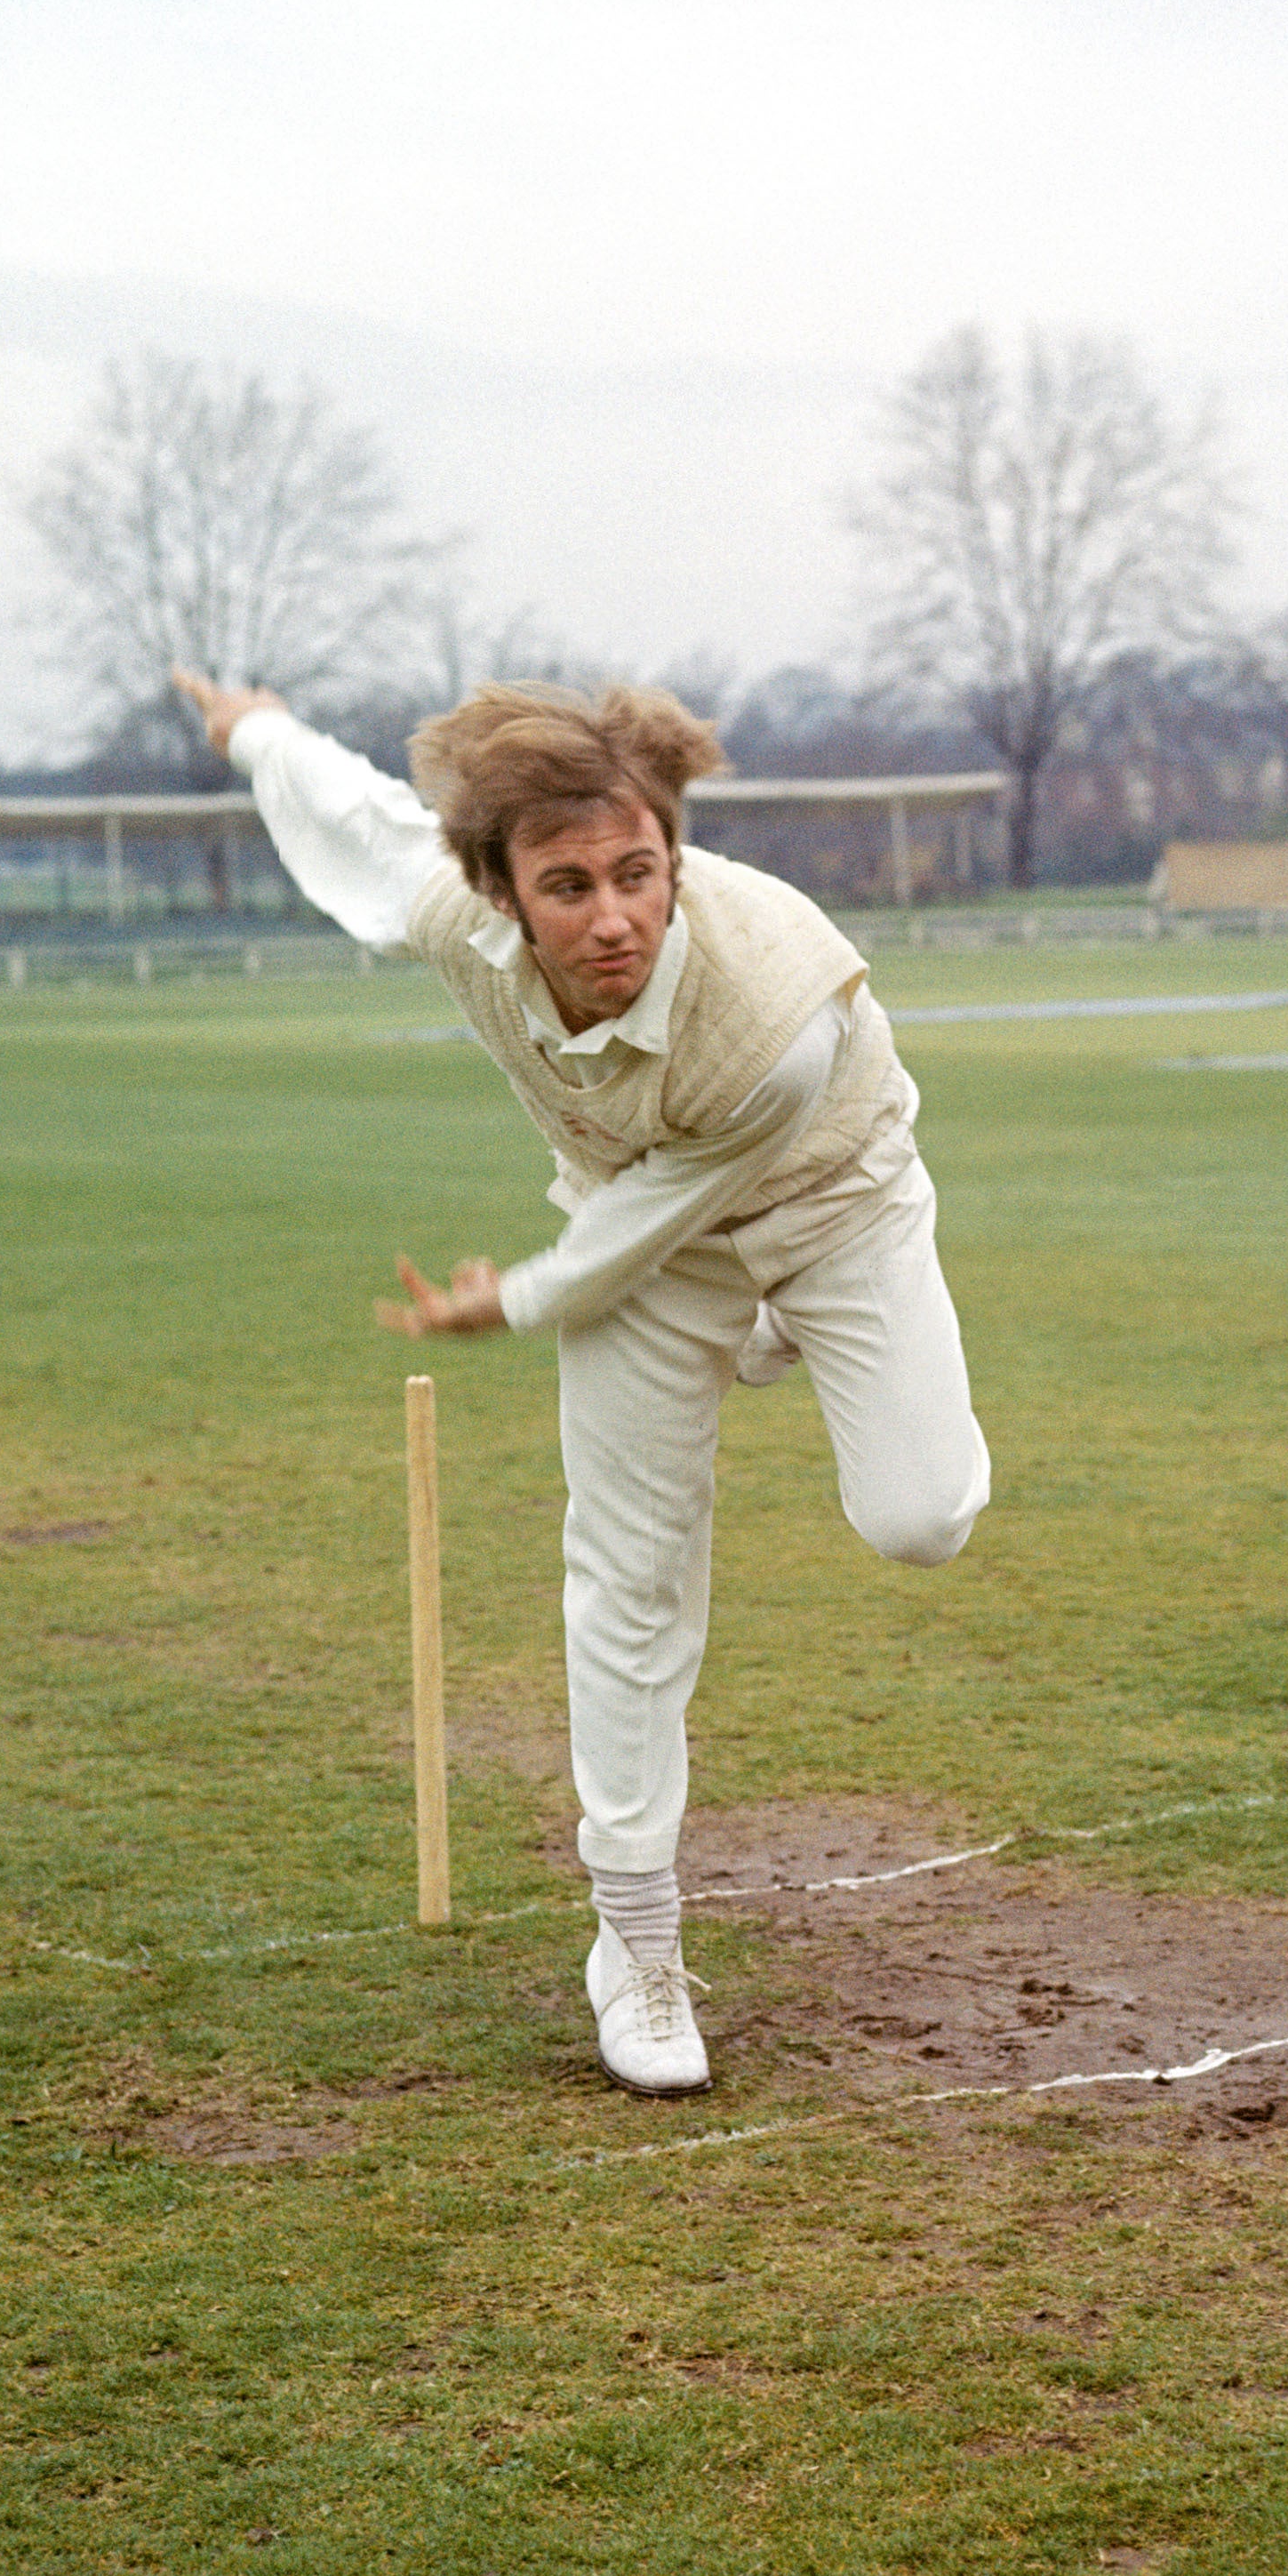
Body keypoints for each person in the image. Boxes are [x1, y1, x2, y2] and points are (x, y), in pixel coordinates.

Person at [174, 665, 989, 2096]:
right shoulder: (451, 910)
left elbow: (647, 1220)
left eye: (639, 872)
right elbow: (355, 818)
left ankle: (786, 1329)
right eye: (568, 886)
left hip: (831, 1199)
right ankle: (640, 1948)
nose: (614, 917)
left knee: (922, 1517)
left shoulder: (774, 1012)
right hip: (648, 1239)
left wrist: (523, 1297)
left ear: (673, 854)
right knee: (629, 1574)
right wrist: (260, 733)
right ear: (498, 892)